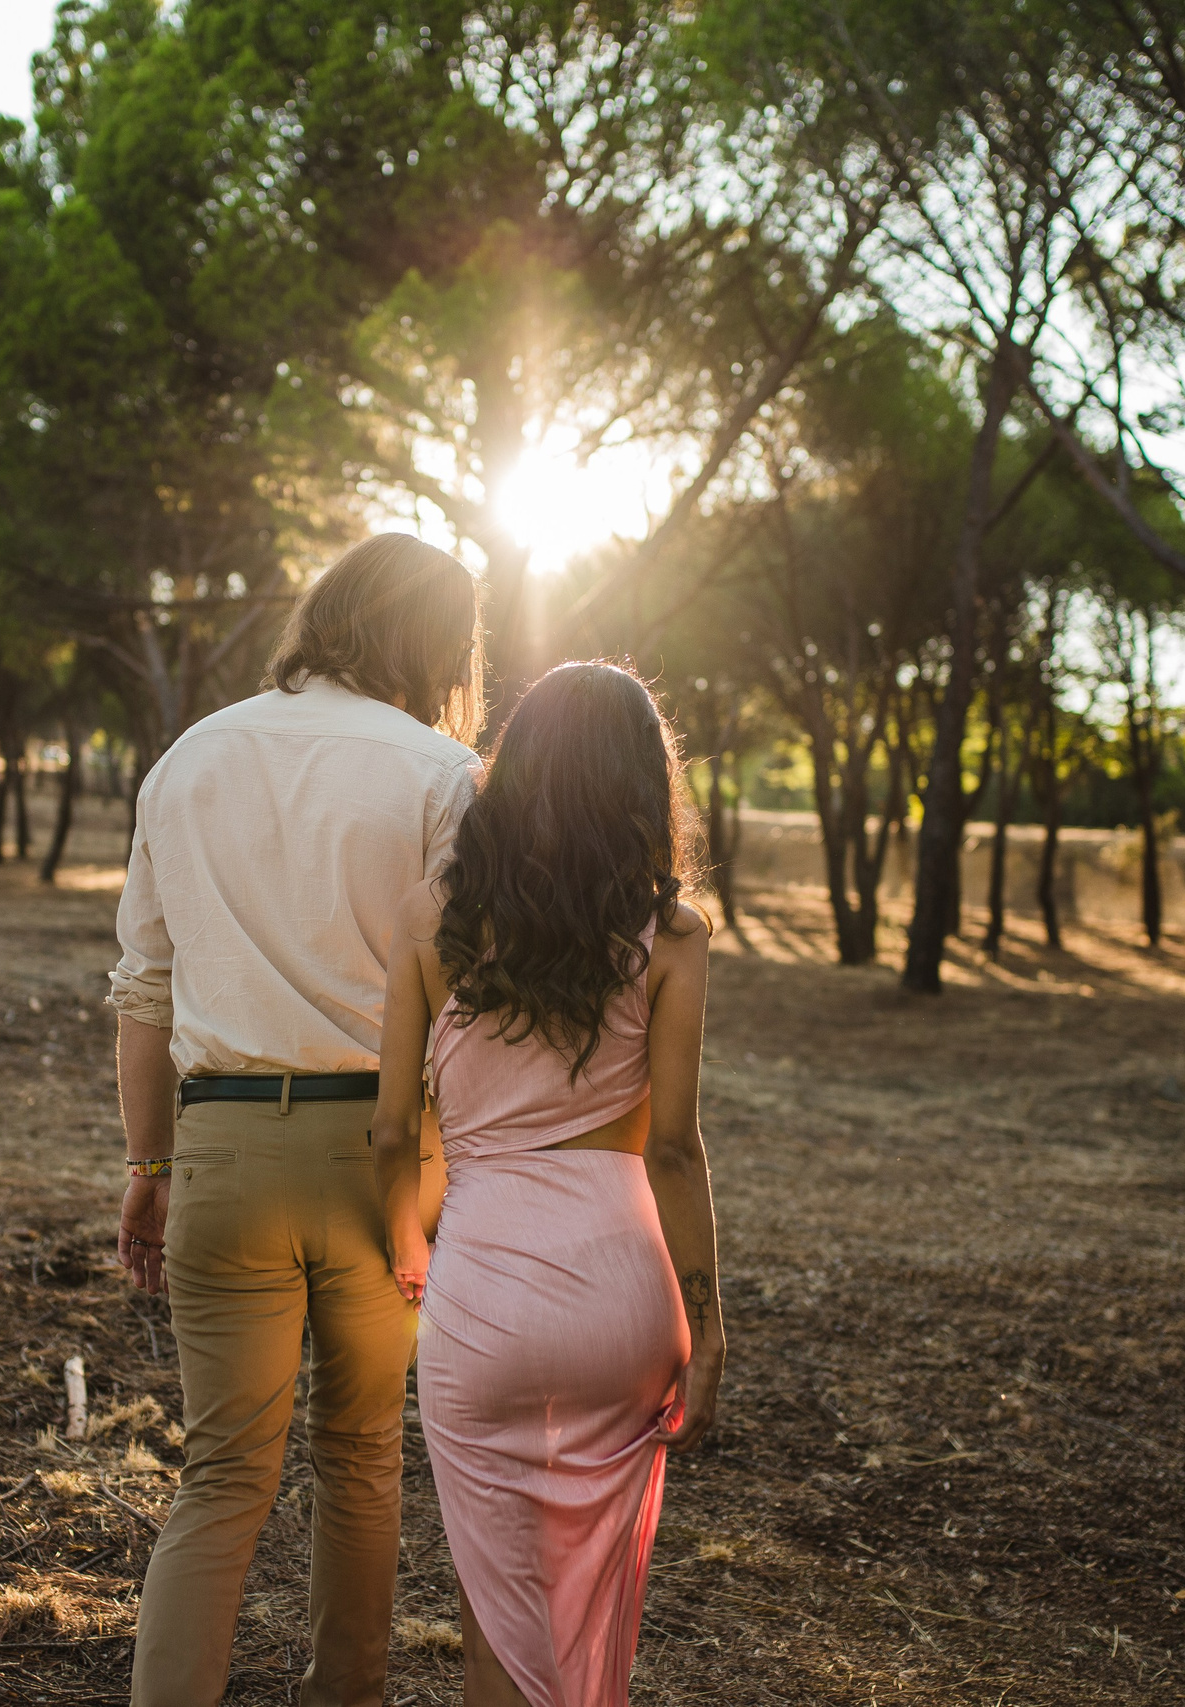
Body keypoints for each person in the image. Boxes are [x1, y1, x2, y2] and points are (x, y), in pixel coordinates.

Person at [108, 534, 485, 1707]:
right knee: (364, 1457)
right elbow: (466, 1004)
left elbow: (143, 992)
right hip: (386, 1157)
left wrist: (147, 1162)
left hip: (217, 1148)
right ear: (431, 642)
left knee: (219, 1475)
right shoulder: (442, 776)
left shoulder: (186, 760)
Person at [373, 661, 726, 1707]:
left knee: (501, 1623)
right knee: (594, 1608)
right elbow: (673, 1147)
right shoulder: (672, 933)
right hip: (625, 1299)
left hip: (481, 1295)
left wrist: (406, 1246)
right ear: (640, 785)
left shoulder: (431, 919)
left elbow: (392, 1129)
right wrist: (709, 1334)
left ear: (512, 769)